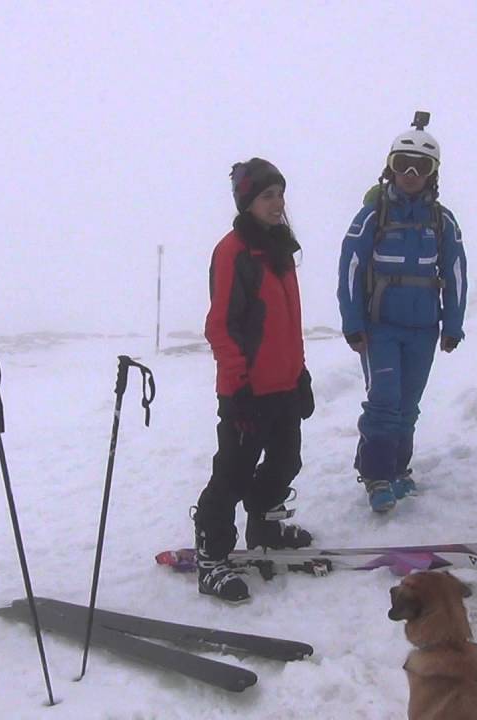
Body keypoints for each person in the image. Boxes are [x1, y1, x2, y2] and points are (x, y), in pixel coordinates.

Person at [195, 158, 315, 603]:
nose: (277, 203)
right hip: (247, 391)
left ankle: (264, 527)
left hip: (283, 386)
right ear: (246, 201)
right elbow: (220, 326)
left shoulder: (279, 249)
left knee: (286, 462)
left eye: (280, 194)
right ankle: (211, 556)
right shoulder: (233, 252)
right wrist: (238, 387)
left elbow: (288, 323)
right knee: (232, 474)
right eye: (267, 196)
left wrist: (300, 373)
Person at [337, 114, 467, 513]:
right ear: (390, 167)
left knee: (408, 403)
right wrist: (352, 323)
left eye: (421, 166)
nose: (411, 174)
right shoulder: (372, 216)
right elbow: (351, 268)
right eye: (403, 164)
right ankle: (376, 474)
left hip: (423, 328)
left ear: (433, 173)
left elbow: (455, 271)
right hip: (380, 326)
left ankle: (397, 469)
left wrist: (453, 323)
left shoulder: (441, 221)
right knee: (384, 399)